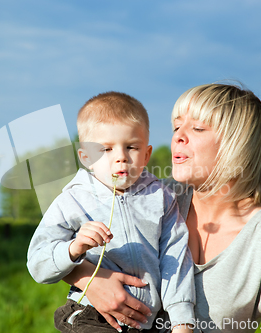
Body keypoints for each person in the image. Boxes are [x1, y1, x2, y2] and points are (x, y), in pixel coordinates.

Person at [63, 83, 261, 333]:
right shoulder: (154, 196)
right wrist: (89, 280)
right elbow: (53, 246)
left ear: (238, 144)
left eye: (198, 128)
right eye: (176, 126)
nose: (178, 136)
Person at [27, 92, 196, 333]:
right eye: (106, 149)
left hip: (152, 320)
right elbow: (38, 263)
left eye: (131, 147)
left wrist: (181, 321)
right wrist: (74, 248)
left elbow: (175, 258)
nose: (121, 158)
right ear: (86, 157)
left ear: (146, 155)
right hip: (93, 316)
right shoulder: (73, 200)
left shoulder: (160, 198)